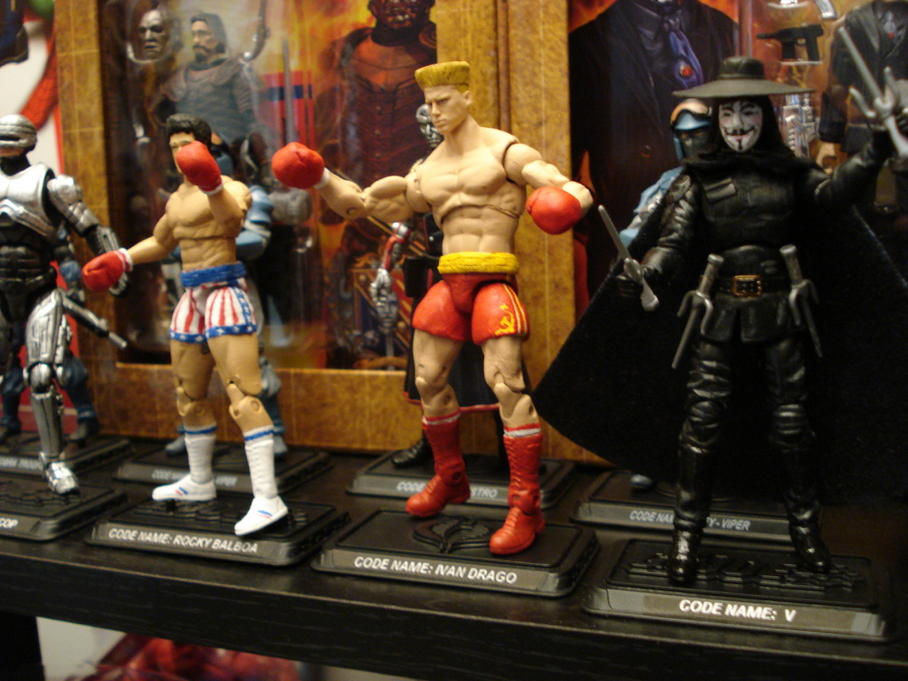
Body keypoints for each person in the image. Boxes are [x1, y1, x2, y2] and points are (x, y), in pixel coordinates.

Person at [534, 56, 908, 585]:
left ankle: (806, 534)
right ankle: (686, 538)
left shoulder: (791, 172)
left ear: (764, 116)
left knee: (793, 428)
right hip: (716, 314)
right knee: (701, 427)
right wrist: (647, 272)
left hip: (780, 312)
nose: (737, 124)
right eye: (728, 113)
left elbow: (833, 197)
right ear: (717, 119)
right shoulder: (697, 180)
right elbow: (673, 241)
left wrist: (876, 148)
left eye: (748, 112)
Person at [273, 61, 592, 554]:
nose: (435, 111)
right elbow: (361, 205)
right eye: (429, 104)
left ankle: (525, 507)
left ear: (467, 97)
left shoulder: (504, 151)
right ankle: (450, 477)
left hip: (492, 279)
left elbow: (562, 183)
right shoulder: (427, 170)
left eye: (443, 101)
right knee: (427, 381)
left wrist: (568, 201)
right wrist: (320, 176)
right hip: (448, 281)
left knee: (507, 386)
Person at [83, 114, 287, 536]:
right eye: (174, 147)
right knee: (188, 394)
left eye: (187, 145)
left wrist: (211, 183)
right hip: (190, 297)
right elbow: (162, 241)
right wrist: (122, 258)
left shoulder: (231, 188)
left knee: (243, 394)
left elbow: (231, 223)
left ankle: (268, 498)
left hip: (225, 291)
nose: (179, 154)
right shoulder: (176, 199)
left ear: (207, 146)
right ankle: (199, 480)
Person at [0, 114, 125, 493]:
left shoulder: (52, 185)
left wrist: (115, 265)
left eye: (9, 139)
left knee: (42, 376)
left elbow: (91, 228)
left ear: (26, 142)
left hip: (41, 290)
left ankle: (54, 461)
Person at [157, 12, 255, 147]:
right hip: (184, 147)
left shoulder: (234, 71)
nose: (196, 41)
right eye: (194, 35)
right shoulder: (181, 75)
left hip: (225, 148)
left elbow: (250, 120)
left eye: (202, 34)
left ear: (218, 36)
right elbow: (159, 115)